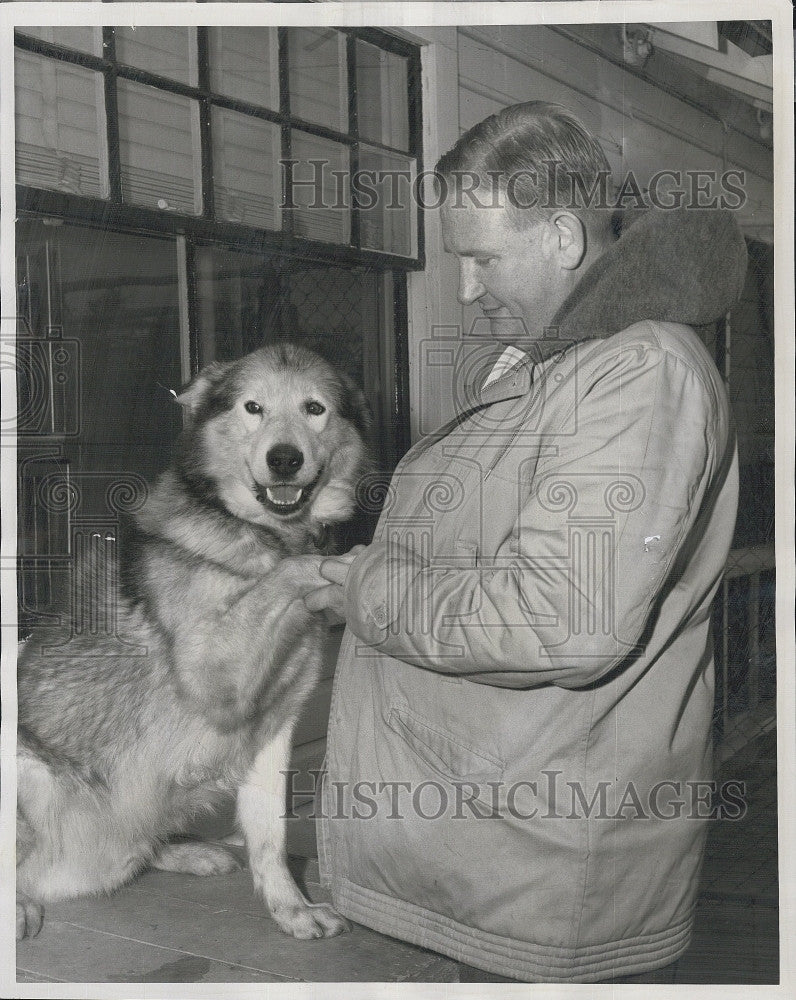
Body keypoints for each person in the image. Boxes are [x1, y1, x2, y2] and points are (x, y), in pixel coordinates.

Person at [304, 102, 746, 983]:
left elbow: (563, 620)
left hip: (540, 873)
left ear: (563, 239)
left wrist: (367, 591)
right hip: (486, 854)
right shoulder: (561, 365)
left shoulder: (636, 374)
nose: (467, 288)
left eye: (482, 258)